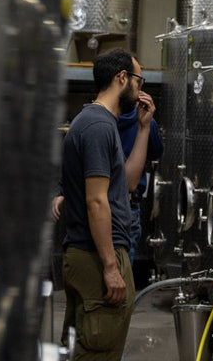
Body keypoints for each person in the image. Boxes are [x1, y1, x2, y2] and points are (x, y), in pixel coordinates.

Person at [60, 48, 155, 361]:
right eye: (138, 79)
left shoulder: (100, 123)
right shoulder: (98, 127)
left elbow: (126, 183)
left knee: (87, 347)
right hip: (96, 255)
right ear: (122, 78)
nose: (141, 88)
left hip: (91, 253)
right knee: (98, 352)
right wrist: (111, 267)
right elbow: (97, 201)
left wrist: (143, 129)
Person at [53, 109, 163, 264]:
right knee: (117, 270)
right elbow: (156, 152)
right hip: (120, 204)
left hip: (105, 203)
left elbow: (79, 159)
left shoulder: (95, 120)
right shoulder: (105, 122)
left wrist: (62, 189)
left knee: (100, 267)